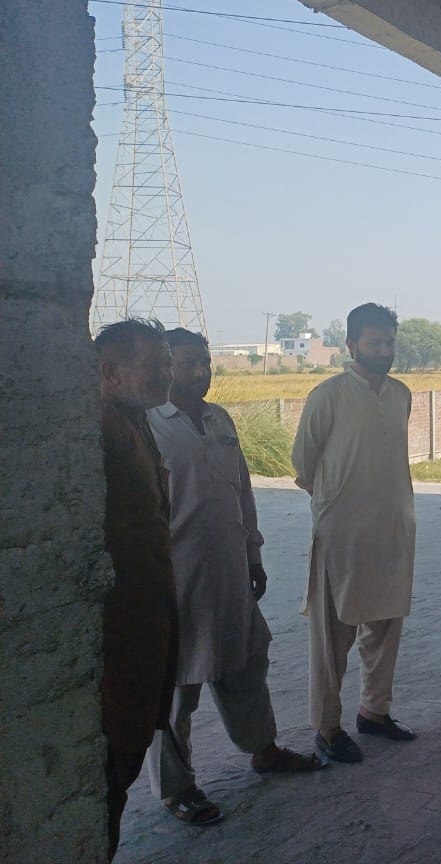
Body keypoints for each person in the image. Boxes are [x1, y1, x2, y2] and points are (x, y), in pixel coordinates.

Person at [145, 328, 319, 826]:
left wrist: (253, 556)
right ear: (165, 367)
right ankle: (177, 790)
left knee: (246, 663)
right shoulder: (148, 425)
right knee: (176, 688)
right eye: (186, 363)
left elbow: (242, 492)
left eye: (205, 362)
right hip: (178, 580)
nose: (200, 372)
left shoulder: (219, 419)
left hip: (230, 572)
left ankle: (263, 749)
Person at [292, 303, 417, 764]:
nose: (383, 351)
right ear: (351, 345)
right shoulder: (328, 396)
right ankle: (327, 728)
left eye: (388, 343)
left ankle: (374, 711)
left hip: (393, 529)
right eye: (374, 343)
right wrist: (336, 505)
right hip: (342, 536)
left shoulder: (401, 394)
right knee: (333, 636)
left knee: (385, 626)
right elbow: (304, 464)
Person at [96, 319, 179, 860]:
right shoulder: (99, 429)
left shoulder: (135, 421)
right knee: (107, 773)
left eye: (167, 364)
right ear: (110, 372)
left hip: (146, 621)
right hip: (119, 635)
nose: (166, 376)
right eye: (154, 366)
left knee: (120, 767)